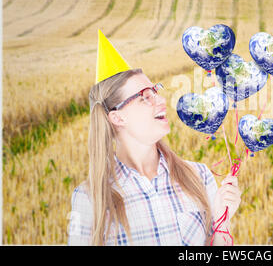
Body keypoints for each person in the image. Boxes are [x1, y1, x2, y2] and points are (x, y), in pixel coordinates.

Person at [67, 30, 242, 245]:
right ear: (117, 117)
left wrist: (222, 221)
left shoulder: (200, 176)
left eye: (155, 91)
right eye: (144, 97)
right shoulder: (89, 199)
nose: (160, 101)